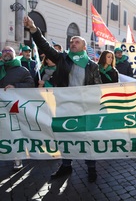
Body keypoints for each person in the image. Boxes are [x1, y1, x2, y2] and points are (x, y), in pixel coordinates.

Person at [24, 16, 102, 182]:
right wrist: (33, 29)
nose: (73, 43)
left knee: (87, 138)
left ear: (84, 47)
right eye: (72, 42)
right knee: (65, 137)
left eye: (77, 42)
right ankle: (66, 166)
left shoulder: (92, 66)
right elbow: (44, 45)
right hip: (64, 106)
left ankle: (91, 167)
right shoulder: (62, 59)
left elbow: (97, 88)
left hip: (84, 108)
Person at [0, 46, 35, 170]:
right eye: (4, 51)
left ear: (15, 54)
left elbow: (31, 84)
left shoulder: (22, 70)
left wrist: (15, 86)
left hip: (14, 107)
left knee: (14, 134)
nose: (7, 53)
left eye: (9, 51)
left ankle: (17, 158)